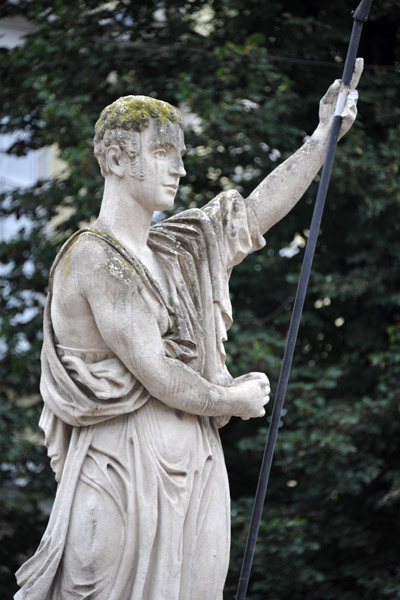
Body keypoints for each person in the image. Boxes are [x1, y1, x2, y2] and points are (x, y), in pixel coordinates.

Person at [15, 59, 363, 600]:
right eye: (162, 153)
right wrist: (236, 397)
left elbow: (251, 215)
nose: (178, 170)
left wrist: (321, 140)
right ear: (115, 158)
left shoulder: (176, 250)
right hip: (122, 472)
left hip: (196, 468)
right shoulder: (92, 258)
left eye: (180, 156)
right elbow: (159, 375)